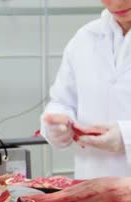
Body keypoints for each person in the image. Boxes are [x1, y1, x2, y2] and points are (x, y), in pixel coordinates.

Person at [41, 0, 131, 179]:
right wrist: (58, 127)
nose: (116, 2)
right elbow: (61, 102)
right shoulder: (85, 37)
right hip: (91, 188)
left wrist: (126, 136)